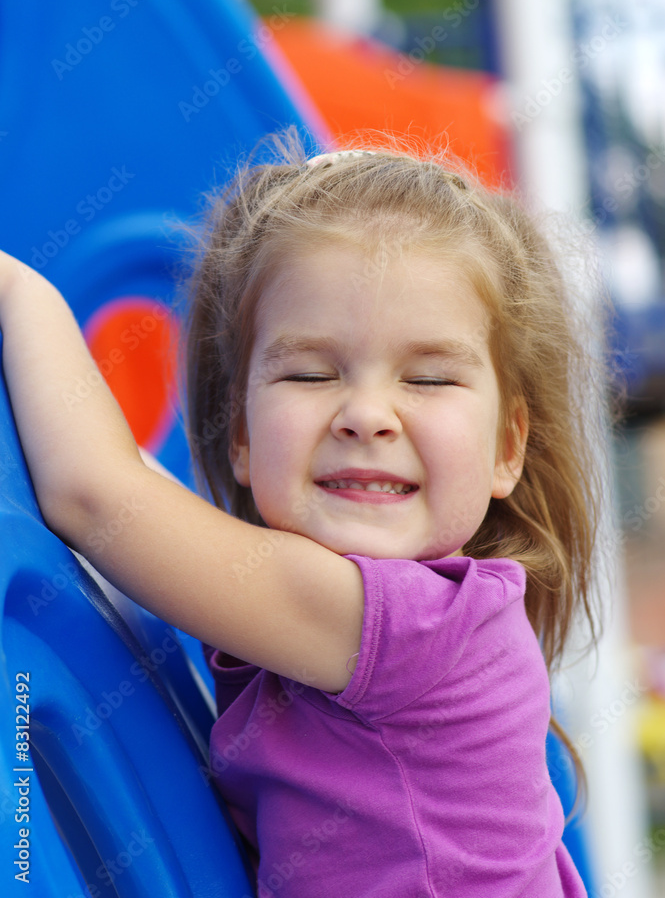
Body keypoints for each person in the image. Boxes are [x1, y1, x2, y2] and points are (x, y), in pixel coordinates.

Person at [0, 133, 608, 897]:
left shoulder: (412, 627)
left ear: (506, 447)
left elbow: (98, 498)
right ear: (243, 434)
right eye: (312, 372)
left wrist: (21, 292)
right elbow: (129, 483)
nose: (366, 414)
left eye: (425, 378)